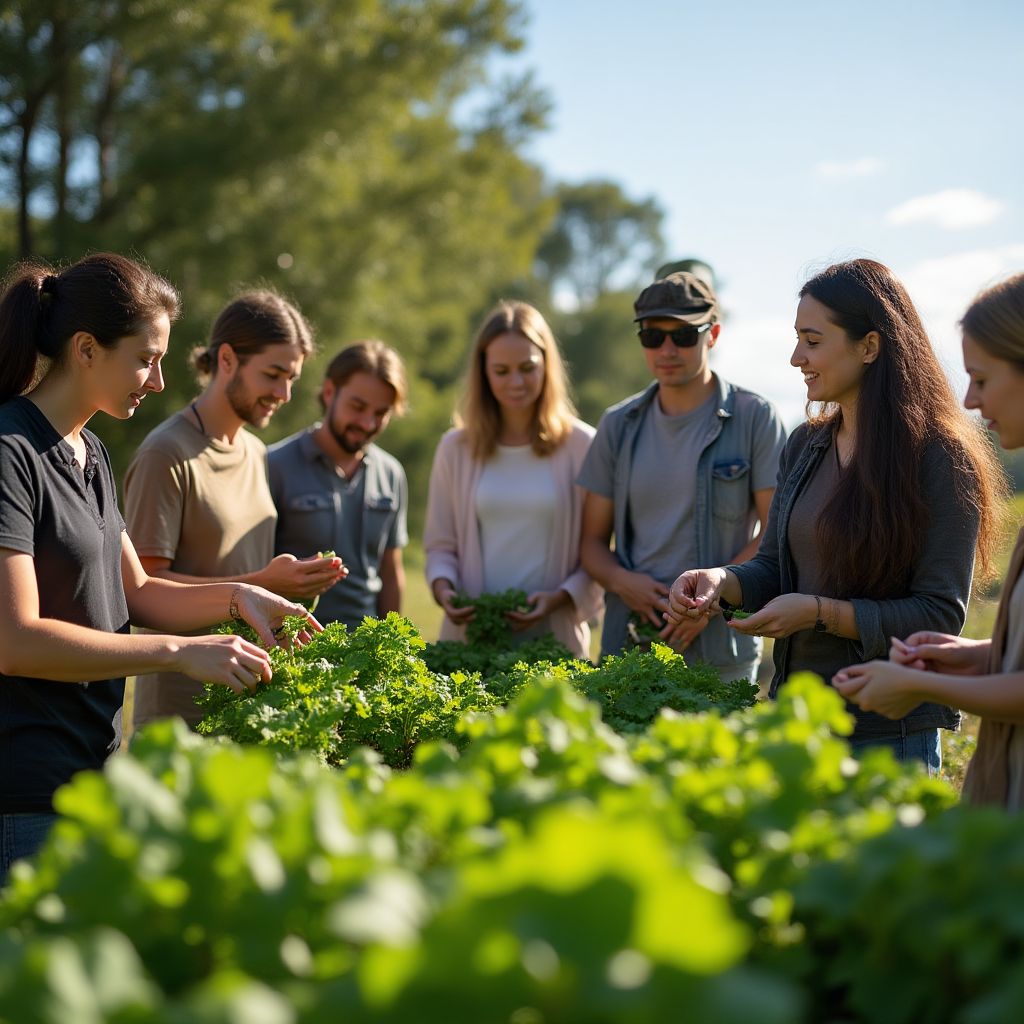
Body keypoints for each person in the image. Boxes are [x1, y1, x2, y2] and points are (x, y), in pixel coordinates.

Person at [0, 254, 317, 878]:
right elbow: (15, 640)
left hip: (89, 775)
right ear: (86, 349)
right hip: (24, 791)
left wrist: (238, 599)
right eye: (146, 358)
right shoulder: (11, 451)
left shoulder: (87, 450)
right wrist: (176, 652)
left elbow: (138, 591)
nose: (159, 381)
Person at [667, 258, 1005, 770]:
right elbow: (775, 570)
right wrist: (719, 581)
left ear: (869, 346)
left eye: (813, 340)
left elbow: (938, 615)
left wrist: (821, 613)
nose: (796, 357)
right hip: (796, 722)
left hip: (889, 736)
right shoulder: (806, 444)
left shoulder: (940, 457)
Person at [833, 273, 1023, 802]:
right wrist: (979, 655)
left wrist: (923, 685)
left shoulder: (938, 457)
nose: (971, 398)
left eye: (982, 379)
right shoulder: (809, 446)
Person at [123, 291, 346, 730]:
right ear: (227, 359)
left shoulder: (255, 451)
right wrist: (261, 584)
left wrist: (291, 583)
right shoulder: (166, 454)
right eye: (273, 374)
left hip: (253, 704)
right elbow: (143, 589)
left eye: (292, 378)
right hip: (182, 711)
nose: (283, 393)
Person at [578, 271, 786, 681]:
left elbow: (774, 536)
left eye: (684, 335)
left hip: (721, 648)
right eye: (653, 336)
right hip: (632, 642)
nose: (667, 349)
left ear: (713, 334)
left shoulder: (755, 418)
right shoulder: (617, 424)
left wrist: (713, 597)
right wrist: (624, 582)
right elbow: (590, 545)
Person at [423, 300, 601, 659]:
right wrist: (446, 591)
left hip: (556, 642)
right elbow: (440, 546)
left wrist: (560, 597)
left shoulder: (583, 445)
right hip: (471, 643)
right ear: (483, 373)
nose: (515, 382)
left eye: (527, 368)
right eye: (501, 371)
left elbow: (598, 549)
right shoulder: (454, 448)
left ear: (547, 367)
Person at [268, 341, 409, 628]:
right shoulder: (274, 465)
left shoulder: (391, 473)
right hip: (294, 647)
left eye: (381, 413)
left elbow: (391, 571)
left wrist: (392, 641)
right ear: (330, 392)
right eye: (358, 407)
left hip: (364, 649)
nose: (368, 423)